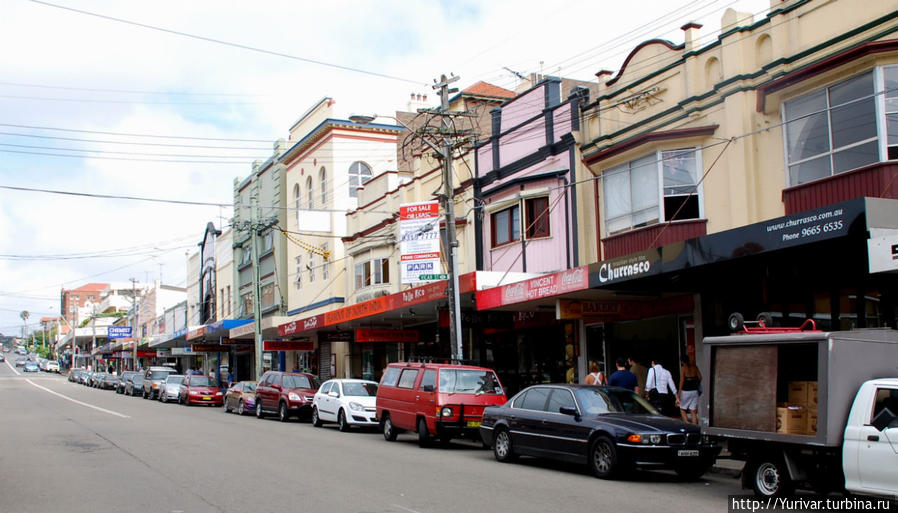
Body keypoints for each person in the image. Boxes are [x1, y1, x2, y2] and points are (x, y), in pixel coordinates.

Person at [678, 354, 702, 424]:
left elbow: (682, 380)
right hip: (694, 391)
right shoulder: (695, 367)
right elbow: (700, 377)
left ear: (681, 361)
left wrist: (679, 392)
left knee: (682, 409)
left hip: (685, 391)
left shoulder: (683, 368)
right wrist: (695, 383)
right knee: (693, 411)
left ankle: (687, 425)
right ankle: (694, 428)